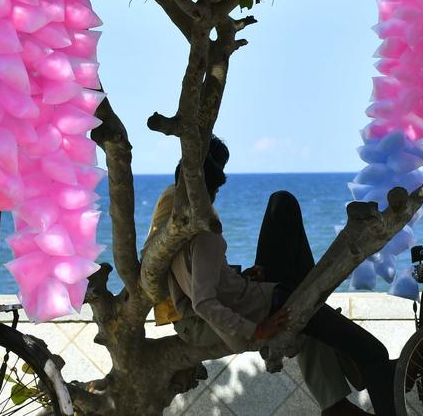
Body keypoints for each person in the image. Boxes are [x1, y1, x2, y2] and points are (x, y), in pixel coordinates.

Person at [147, 137, 395, 414]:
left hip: (243, 298)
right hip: (246, 309)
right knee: (374, 355)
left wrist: (237, 276)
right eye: (216, 185)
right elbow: (203, 300)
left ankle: (338, 387)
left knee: (282, 207)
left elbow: (194, 275)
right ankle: (353, 367)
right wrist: (255, 331)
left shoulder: (176, 216)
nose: (216, 196)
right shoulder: (202, 228)